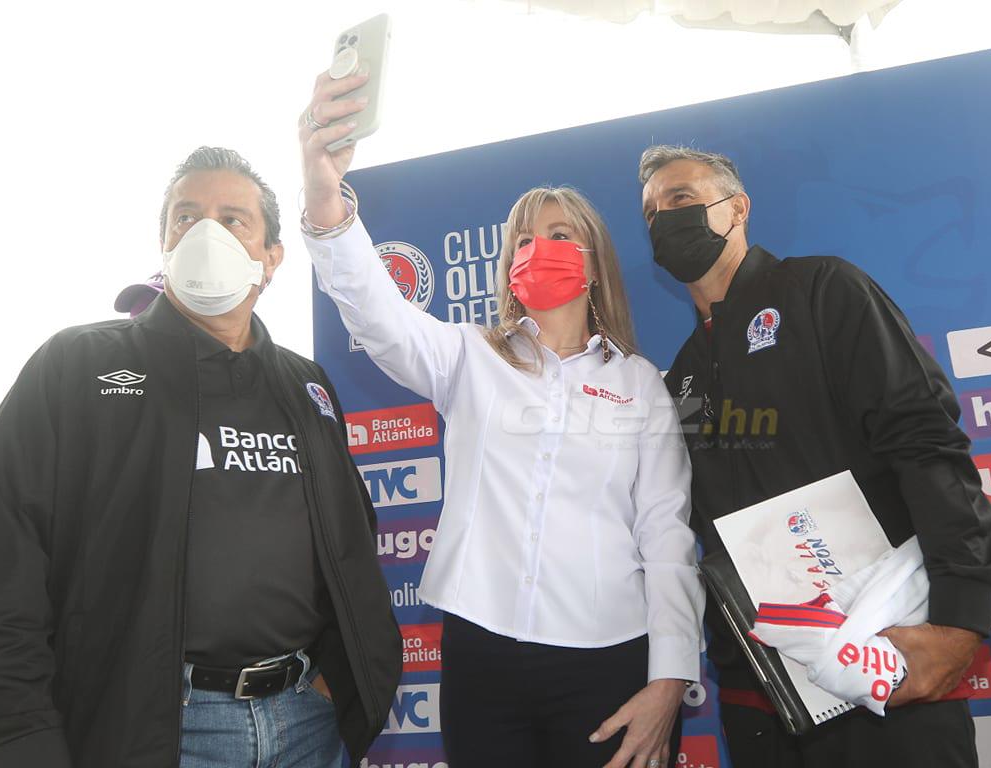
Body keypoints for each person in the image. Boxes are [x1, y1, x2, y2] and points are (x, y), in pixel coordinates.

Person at [299, 71, 705, 768]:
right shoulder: (467, 356)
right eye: (522, 239)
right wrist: (325, 197)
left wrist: (669, 679)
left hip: (607, 661)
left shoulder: (640, 385)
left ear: (595, 261)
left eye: (557, 233)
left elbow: (666, 538)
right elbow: (376, 312)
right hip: (481, 656)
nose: (536, 248)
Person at [0, 147, 402, 768]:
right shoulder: (77, 365)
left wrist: (343, 681)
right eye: (187, 216)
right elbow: (3, 551)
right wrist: (18, 734)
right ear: (164, 243)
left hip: (306, 723)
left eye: (233, 218)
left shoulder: (305, 386)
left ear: (270, 259)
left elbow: (349, 539)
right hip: (154, 730)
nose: (206, 231)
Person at [638, 145, 991, 768]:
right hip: (763, 694)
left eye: (680, 198)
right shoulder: (680, 379)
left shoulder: (823, 290)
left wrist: (961, 618)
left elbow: (925, 440)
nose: (664, 217)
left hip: (885, 659)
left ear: (737, 208)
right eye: (650, 212)